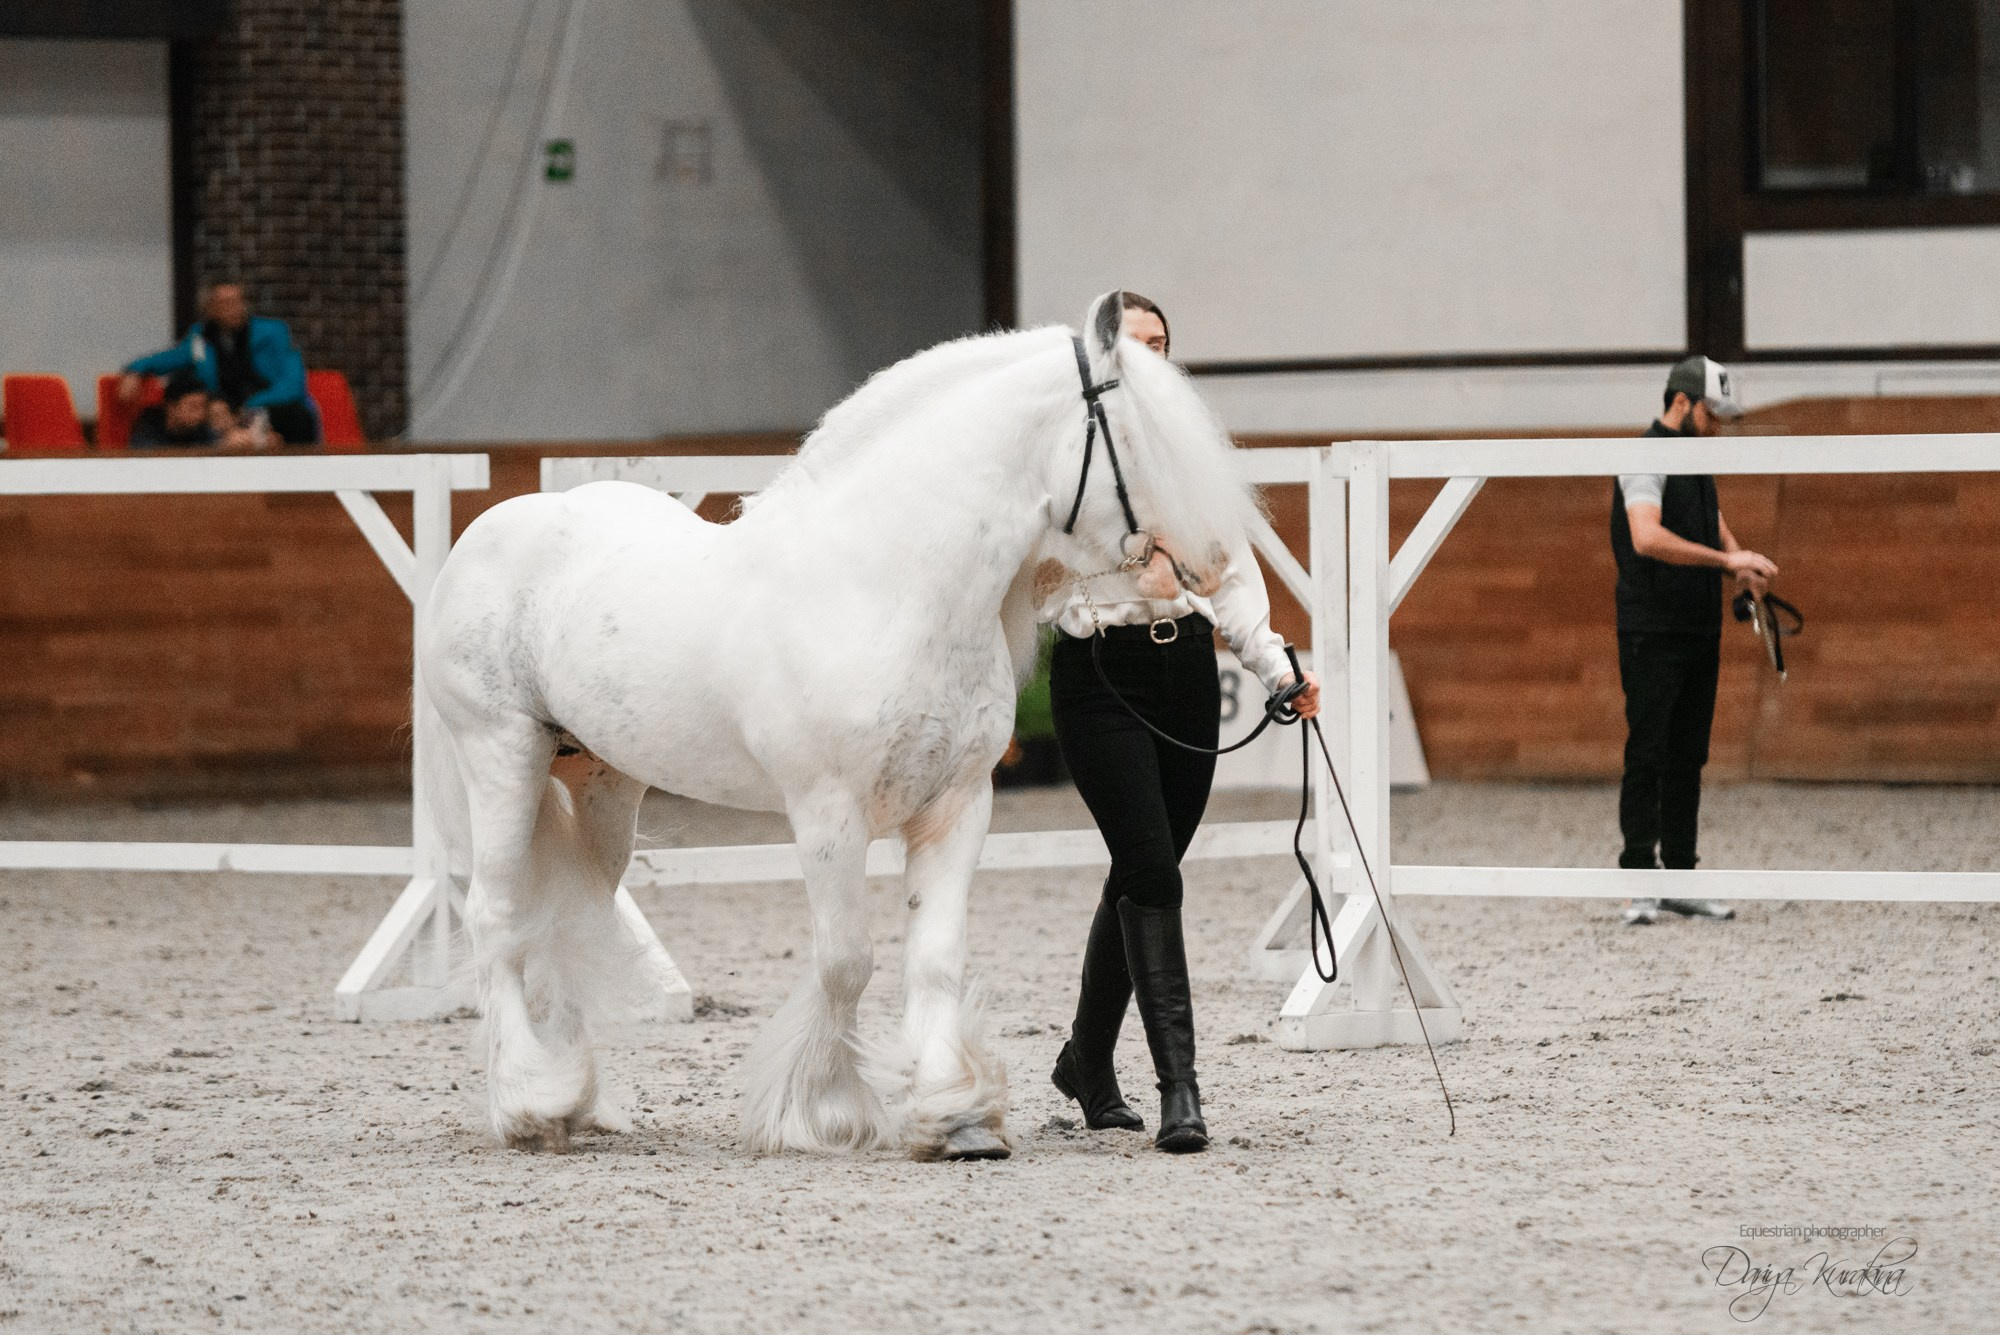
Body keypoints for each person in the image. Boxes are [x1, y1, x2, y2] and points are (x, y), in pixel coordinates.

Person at [1043, 292, 1319, 1153]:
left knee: (1139, 867)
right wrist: (1139, 556)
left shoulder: (1195, 453)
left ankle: (1086, 1061)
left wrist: (1278, 667)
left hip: (1186, 670)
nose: (1153, 356)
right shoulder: (1069, 456)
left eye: (1163, 343)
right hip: (1100, 674)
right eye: (1136, 343)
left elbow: (1231, 576)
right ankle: (1181, 1091)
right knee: (1155, 871)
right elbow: (1047, 573)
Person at [1612, 355, 1777, 926]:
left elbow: (1715, 518)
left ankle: (1679, 874)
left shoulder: (1695, 459)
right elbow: (1646, 535)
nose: (1718, 427)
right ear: (1681, 403)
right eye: (1712, 414)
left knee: (1688, 756)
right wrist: (1727, 559)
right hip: (1652, 630)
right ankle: (1639, 877)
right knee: (1648, 752)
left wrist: (1739, 565)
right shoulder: (1643, 456)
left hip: (1698, 628)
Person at [120, 283, 319, 445]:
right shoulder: (201, 336)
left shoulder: (273, 333)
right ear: (211, 309)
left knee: (296, 416)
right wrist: (135, 370)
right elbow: (170, 358)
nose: (230, 308)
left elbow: (292, 383)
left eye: (235, 301)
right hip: (221, 409)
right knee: (193, 418)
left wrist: (249, 406)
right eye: (222, 303)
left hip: (268, 404)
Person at [128, 371, 257, 449]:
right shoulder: (148, 427)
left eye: (203, 407)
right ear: (172, 407)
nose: (200, 414)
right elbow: (154, 456)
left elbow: (213, 440)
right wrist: (217, 447)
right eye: (193, 407)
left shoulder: (200, 428)